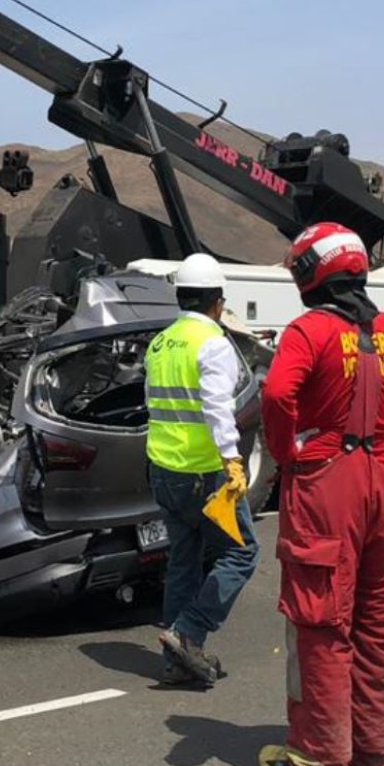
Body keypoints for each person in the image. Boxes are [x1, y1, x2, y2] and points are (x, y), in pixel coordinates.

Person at [257, 222, 384, 766]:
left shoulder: (308, 331)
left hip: (324, 485)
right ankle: (371, 750)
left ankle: (319, 756)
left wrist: (287, 453)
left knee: (320, 623)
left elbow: (278, 393)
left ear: (310, 273)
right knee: (379, 626)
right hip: (380, 484)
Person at [145, 253, 258, 688]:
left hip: (163, 469)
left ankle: (176, 662)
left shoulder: (161, 343)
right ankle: (188, 632)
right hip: (203, 474)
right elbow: (216, 409)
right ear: (218, 301)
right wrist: (233, 461)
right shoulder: (213, 343)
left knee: (183, 561)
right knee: (242, 553)